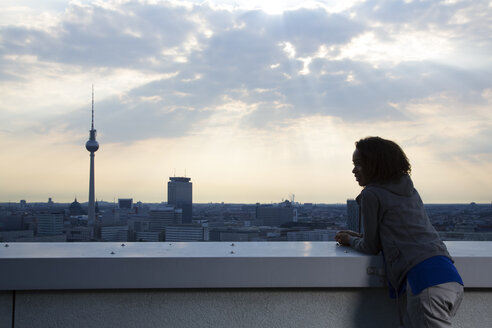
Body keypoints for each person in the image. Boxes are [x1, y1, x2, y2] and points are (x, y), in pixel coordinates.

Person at [335, 136, 464, 328]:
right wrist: (356, 236)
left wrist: (350, 241)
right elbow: (399, 234)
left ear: (375, 164)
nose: (354, 170)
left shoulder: (371, 194)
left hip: (425, 283)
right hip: (449, 276)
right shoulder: (409, 190)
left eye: (359, 164)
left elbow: (371, 247)